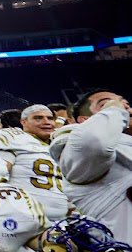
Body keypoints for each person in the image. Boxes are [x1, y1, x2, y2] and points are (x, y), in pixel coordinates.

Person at [51, 89, 132, 241]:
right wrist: (115, 108)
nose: (124, 107)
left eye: (126, 103)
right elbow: (94, 143)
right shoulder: (76, 150)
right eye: (105, 104)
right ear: (84, 120)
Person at [0, 104, 69, 221]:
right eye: (38, 118)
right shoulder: (15, 138)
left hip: (62, 220)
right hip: (24, 219)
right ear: (24, 122)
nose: (46, 121)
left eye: (50, 118)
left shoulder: (59, 144)